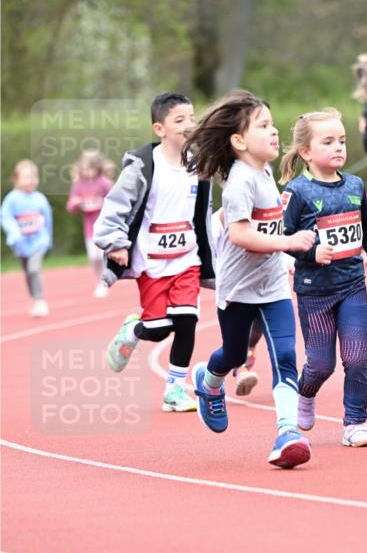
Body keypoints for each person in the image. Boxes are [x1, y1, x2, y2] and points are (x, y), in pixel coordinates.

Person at [182, 89, 316, 469]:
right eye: (264, 126)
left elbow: (249, 220)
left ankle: (288, 432)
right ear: (238, 141)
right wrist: (287, 243)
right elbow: (241, 235)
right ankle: (208, 380)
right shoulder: (241, 179)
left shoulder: (264, 171)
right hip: (238, 290)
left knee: (286, 356)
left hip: (272, 285)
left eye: (273, 124)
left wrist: (281, 254)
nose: (274, 132)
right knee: (235, 354)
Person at [93, 92, 214, 414]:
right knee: (159, 328)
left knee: (187, 320)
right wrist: (116, 242)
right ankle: (133, 329)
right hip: (151, 261)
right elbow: (116, 206)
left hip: (186, 259)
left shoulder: (199, 166)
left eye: (191, 118)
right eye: (179, 120)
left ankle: (174, 388)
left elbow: (205, 211)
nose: (188, 125)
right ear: (159, 128)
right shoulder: (143, 166)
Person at [280, 108, 367, 448]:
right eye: (328, 142)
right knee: (321, 364)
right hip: (314, 291)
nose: (338, 147)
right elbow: (282, 239)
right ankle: (306, 392)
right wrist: (311, 254)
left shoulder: (355, 185)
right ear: (306, 153)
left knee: (357, 356)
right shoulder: (297, 192)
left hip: (352, 285)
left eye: (341, 140)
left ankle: (356, 422)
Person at [1, 159, 52, 317]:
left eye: (33, 176)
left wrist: (48, 238)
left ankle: (40, 300)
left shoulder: (40, 199)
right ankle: (34, 298)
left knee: (34, 269)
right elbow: (5, 217)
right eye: (26, 177)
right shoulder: (12, 199)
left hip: (39, 241)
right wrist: (14, 233)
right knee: (27, 273)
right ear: (16, 180)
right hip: (22, 244)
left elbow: (48, 219)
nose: (30, 180)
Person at [67, 150, 114, 296]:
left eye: (91, 168)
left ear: (97, 167)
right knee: (93, 257)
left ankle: (104, 282)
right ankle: (99, 280)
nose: (87, 172)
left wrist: (104, 202)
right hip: (89, 228)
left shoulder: (104, 183)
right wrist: (75, 203)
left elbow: (116, 198)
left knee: (101, 255)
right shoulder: (78, 185)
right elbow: (70, 207)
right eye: (84, 168)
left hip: (105, 225)